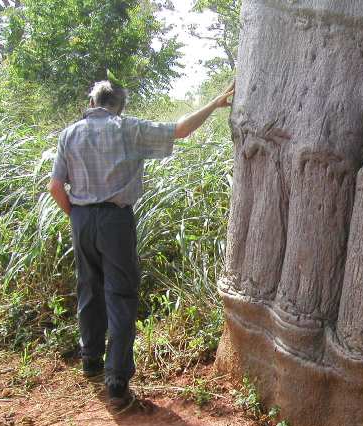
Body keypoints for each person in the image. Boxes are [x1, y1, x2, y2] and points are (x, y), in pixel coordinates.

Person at [48, 80, 234, 408]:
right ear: (120, 105)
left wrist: (77, 217)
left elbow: (55, 187)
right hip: (115, 221)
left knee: (88, 288)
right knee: (120, 295)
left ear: (92, 100)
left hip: (80, 217)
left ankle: (91, 360)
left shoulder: (69, 133)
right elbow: (180, 130)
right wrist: (214, 102)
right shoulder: (128, 129)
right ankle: (117, 381)